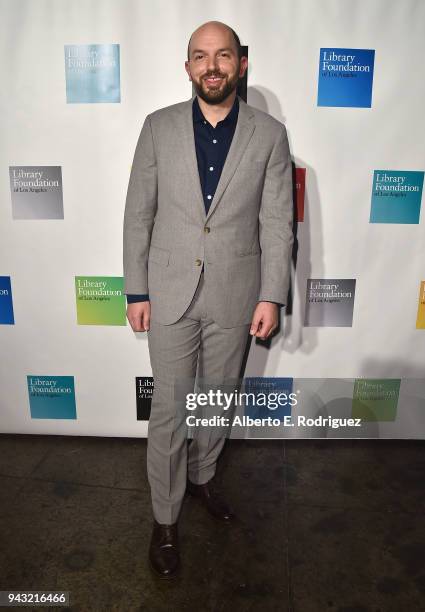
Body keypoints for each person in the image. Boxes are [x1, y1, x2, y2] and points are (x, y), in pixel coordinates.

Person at [123, 20, 293, 578]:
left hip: (236, 293)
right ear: (188, 65)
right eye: (201, 56)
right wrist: (136, 289)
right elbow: (138, 215)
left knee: (217, 400)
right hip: (169, 291)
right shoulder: (158, 127)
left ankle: (202, 479)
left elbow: (275, 223)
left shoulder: (268, 135)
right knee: (170, 411)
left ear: (240, 64)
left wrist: (272, 294)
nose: (212, 66)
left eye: (223, 56)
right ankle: (165, 519)